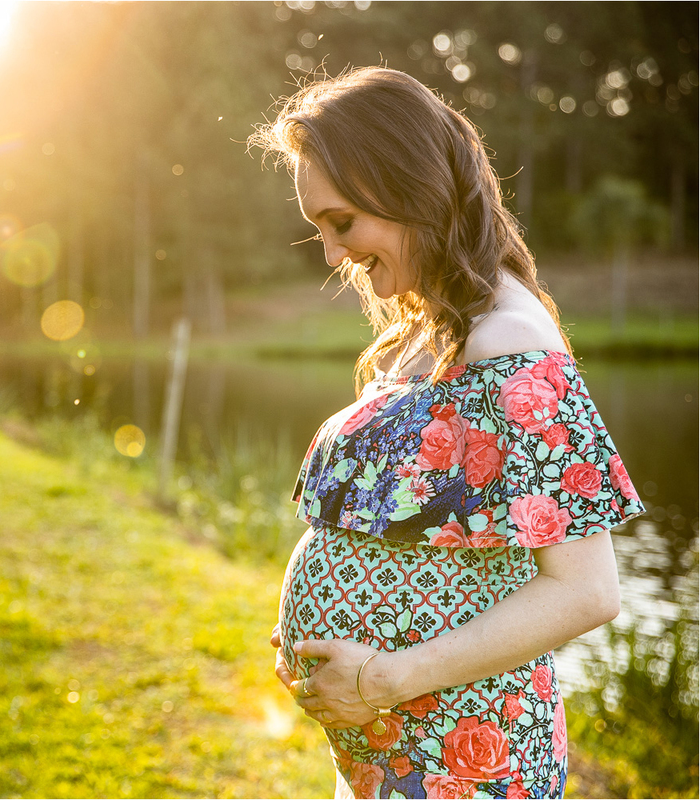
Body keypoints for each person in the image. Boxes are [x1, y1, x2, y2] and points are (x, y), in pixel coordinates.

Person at [252, 68, 645, 799]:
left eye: (343, 223)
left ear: (408, 188)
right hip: (388, 753)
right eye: (319, 231)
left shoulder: (511, 339)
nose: (333, 255)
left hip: (466, 761)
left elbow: (588, 592)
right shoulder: (426, 331)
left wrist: (385, 675)